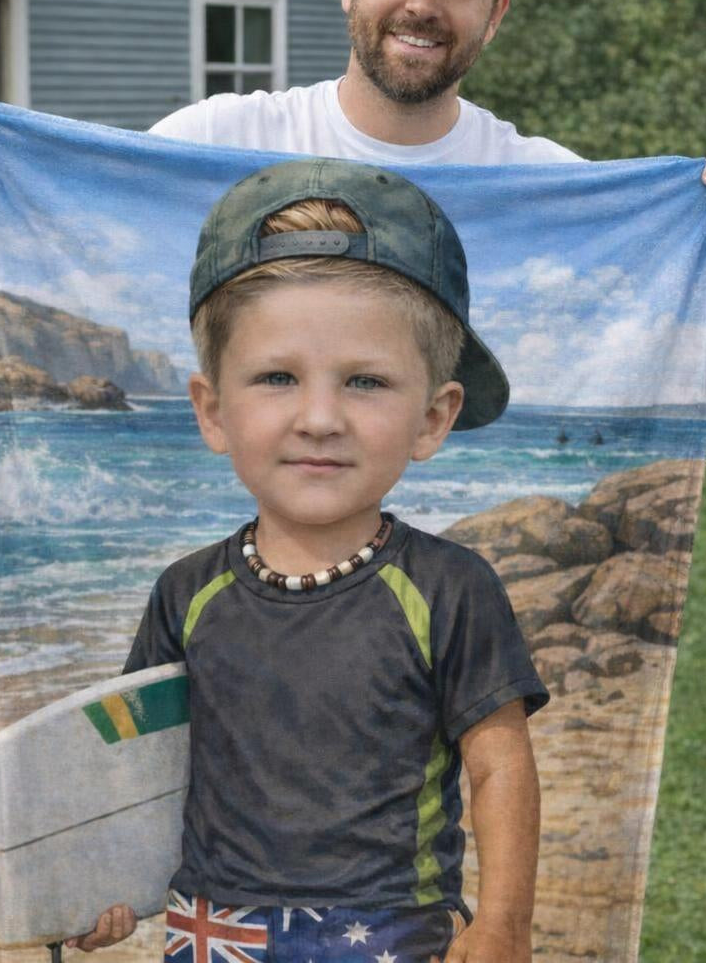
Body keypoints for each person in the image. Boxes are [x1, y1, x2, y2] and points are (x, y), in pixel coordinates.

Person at [0, 0, 706, 415]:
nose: (425, 2)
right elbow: (56, 246)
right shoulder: (217, 142)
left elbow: (705, 398)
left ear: (495, 13)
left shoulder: (554, 191)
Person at [65, 157, 551, 961]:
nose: (319, 417)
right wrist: (98, 882)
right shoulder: (186, 592)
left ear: (433, 418)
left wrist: (503, 925)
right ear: (212, 411)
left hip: (391, 934)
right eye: (277, 377)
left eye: (364, 381)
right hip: (213, 933)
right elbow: (136, 771)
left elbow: (500, 766)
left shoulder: (452, 588)